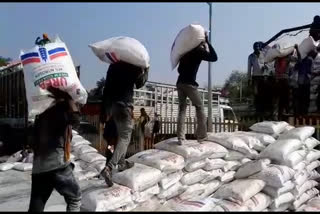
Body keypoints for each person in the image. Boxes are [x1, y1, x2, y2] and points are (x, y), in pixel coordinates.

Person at [28, 87, 81, 212]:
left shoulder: (41, 111)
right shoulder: (60, 108)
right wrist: (69, 99)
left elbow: (32, 140)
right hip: (57, 164)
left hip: (39, 166)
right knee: (75, 198)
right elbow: (76, 120)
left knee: (37, 205)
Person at [100, 61, 149, 186]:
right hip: (125, 105)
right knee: (125, 138)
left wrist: (104, 110)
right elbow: (139, 83)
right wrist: (146, 70)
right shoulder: (131, 65)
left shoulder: (112, 67)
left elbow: (107, 88)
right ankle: (109, 167)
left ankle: (122, 163)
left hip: (114, 107)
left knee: (119, 137)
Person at [176, 31, 217, 145]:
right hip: (190, 83)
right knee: (199, 107)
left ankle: (180, 137)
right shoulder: (198, 51)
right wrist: (207, 43)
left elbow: (179, 70)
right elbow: (214, 57)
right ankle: (202, 136)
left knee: (182, 109)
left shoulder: (186, 51)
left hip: (180, 83)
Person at [247, 42, 267, 115]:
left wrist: (265, 68)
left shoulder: (263, 54)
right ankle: (257, 110)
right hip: (255, 77)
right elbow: (249, 68)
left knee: (263, 94)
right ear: (253, 48)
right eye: (255, 46)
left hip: (263, 76)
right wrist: (249, 79)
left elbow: (267, 63)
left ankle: (263, 110)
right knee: (256, 94)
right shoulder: (251, 56)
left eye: (258, 46)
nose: (257, 48)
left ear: (259, 47)